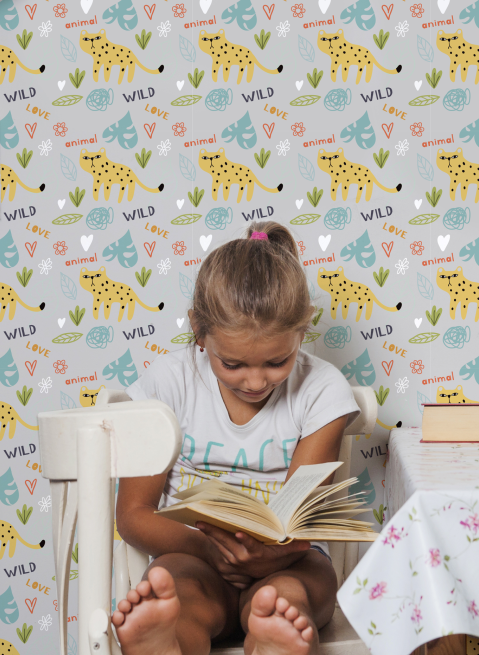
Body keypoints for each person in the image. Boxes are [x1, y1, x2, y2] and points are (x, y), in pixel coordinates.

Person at [111, 221, 361, 655]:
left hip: (289, 559)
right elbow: (134, 514)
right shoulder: (169, 383)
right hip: (192, 556)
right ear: (198, 330)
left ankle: (274, 636)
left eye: (277, 362)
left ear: (303, 329)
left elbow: (303, 518)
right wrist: (208, 549)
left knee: (290, 596)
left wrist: (270, 555)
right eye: (233, 364)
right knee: (181, 593)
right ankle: (167, 641)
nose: (256, 381)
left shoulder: (321, 389)